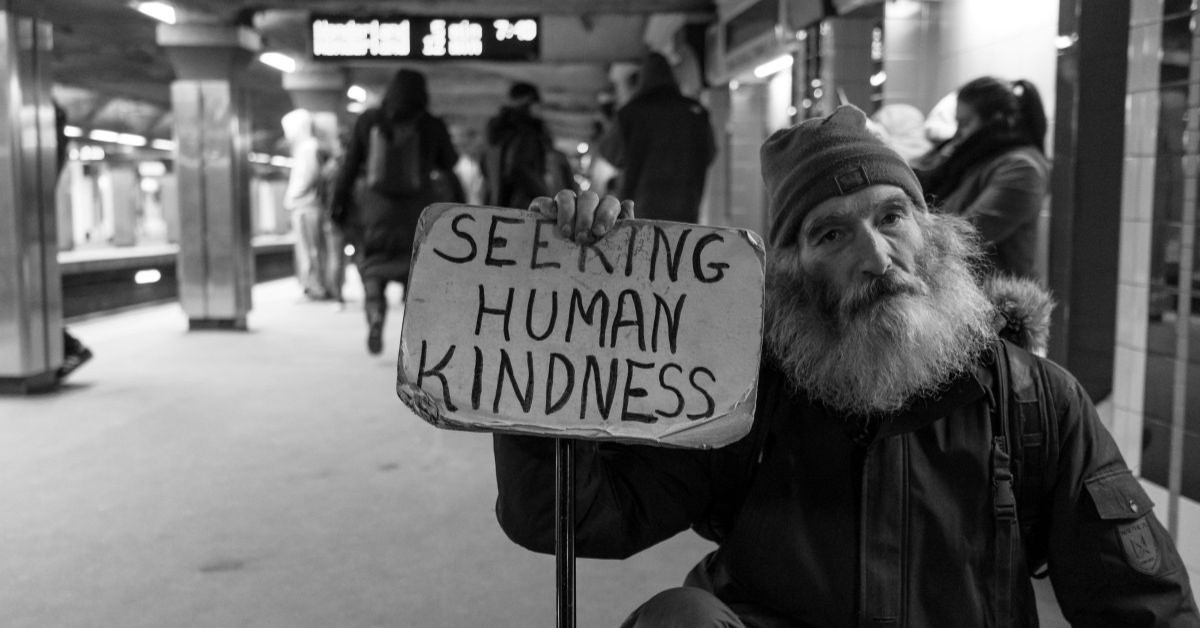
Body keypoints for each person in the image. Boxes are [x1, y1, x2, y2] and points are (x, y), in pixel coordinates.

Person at [492, 105, 1199, 627]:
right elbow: (572, 518)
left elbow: (1144, 606)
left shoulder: (1033, 402)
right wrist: (556, 329)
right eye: (831, 234)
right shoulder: (741, 391)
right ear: (793, 273)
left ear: (931, 232)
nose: (876, 256)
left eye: (891, 216)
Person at [329, 69, 459, 355]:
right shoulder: (430, 124)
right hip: (417, 211)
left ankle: (376, 313)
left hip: (376, 210)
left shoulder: (369, 120)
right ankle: (418, 338)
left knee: (373, 266)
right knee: (418, 270)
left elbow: (349, 167)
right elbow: (450, 164)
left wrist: (338, 207)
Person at [917, 77, 1051, 280]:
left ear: (995, 121)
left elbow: (965, 238)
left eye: (965, 123)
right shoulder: (976, 160)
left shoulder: (1021, 169)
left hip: (996, 297)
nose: (958, 134)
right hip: (964, 291)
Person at [596, 52, 715, 224]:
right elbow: (709, 154)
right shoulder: (696, 112)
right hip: (686, 210)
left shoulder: (630, 113)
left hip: (639, 212)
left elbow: (609, 152)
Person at [282, 108, 331, 301]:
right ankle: (315, 286)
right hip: (309, 205)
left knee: (310, 249)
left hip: (306, 205)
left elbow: (308, 176)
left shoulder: (308, 148)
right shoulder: (310, 147)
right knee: (312, 249)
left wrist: (291, 197)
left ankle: (315, 287)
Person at [484, 82, 555, 209]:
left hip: (499, 203)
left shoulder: (500, 131)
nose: (539, 108)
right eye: (536, 102)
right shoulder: (526, 132)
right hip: (524, 206)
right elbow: (518, 167)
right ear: (528, 102)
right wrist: (544, 196)